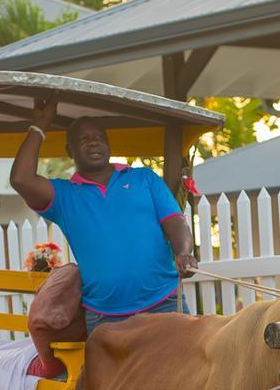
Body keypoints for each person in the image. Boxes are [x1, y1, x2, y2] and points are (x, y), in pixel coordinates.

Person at [10, 95, 198, 334]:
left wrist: (184, 252)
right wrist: (40, 125)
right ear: (70, 150)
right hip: (106, 319)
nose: (93, 143)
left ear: (109, 144)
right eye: (84, 140)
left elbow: (175, 222)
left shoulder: (144, 179)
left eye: (99, 137)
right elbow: (21, 179)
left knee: (184, 371)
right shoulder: (64, 195)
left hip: (166, 303)